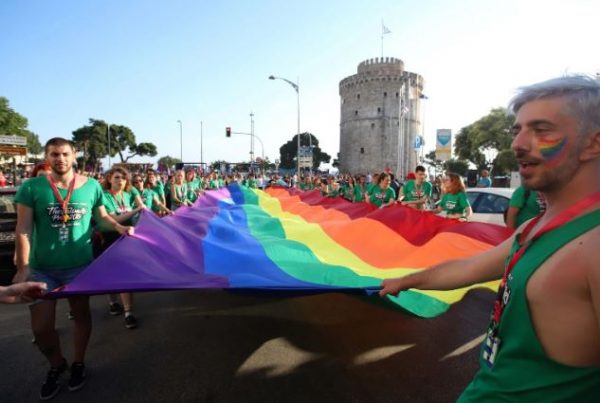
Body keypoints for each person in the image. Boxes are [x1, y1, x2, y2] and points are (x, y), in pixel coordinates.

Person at [380, 76, 600, 401]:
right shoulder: (533, 229)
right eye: (518, 130)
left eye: (541, 130)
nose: (518, 144)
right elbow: (468, 268)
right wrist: (406, 280)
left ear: (593, 144)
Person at [13, 138, 133, 400]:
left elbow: (101, 218)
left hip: (79, 266)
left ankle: (78, 362)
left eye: (65, 153)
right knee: (41, 330)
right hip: (42, 268)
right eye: (54, 154)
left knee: (81, 316)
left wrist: (119, 227)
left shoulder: (90, 186)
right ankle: (57, 365)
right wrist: (23, 267)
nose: (60, 159)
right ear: (47, 156)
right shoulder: (32, 186)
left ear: (74, 155)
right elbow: (22, 229)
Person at [95, 167, 144, 329]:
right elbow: (114, 218)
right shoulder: (104, 196)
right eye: (116, 177)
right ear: (109, 179)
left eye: (123, 178)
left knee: (126, 274)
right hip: (108, 238)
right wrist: (136, 210)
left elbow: (143, 207)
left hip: (127, 237)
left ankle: (128, 312)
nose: (120, 180)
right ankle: (112, 301)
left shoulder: (129, 193)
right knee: (111, 275)